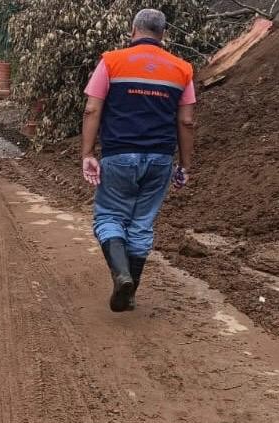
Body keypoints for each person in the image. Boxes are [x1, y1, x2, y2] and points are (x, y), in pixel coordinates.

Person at [80, 8, 197, 312]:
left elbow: (92, 110)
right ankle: (129, 292)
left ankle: (121, 276)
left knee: (108, 217)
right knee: (141, 224)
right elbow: (186, 122)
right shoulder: (182, 69)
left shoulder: (111, 62)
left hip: (119, 155)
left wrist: (88, 154)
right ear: (163, 35)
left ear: (133, 31)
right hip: (160, 159)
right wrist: (184, 165)